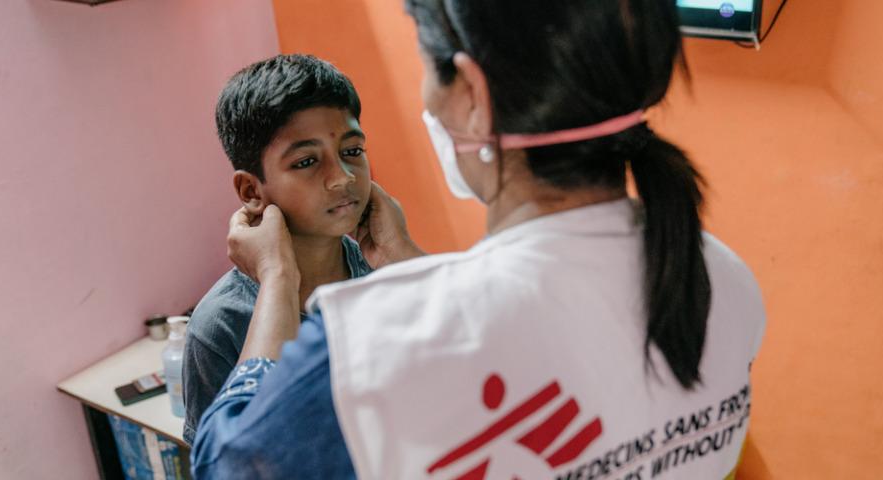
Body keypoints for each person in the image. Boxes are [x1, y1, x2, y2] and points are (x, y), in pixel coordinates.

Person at [192, 1, 766, 479]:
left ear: (469, 92)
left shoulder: (368, 339)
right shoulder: (718, 274)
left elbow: (230, 459)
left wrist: (278, 277)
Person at [180, 54, 374, 445]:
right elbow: (224, 464)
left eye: (352, 151)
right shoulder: (220, 325)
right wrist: (278, 278)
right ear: (252, 191)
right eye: (306, 161)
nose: (341, 177)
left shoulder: (382, 271)